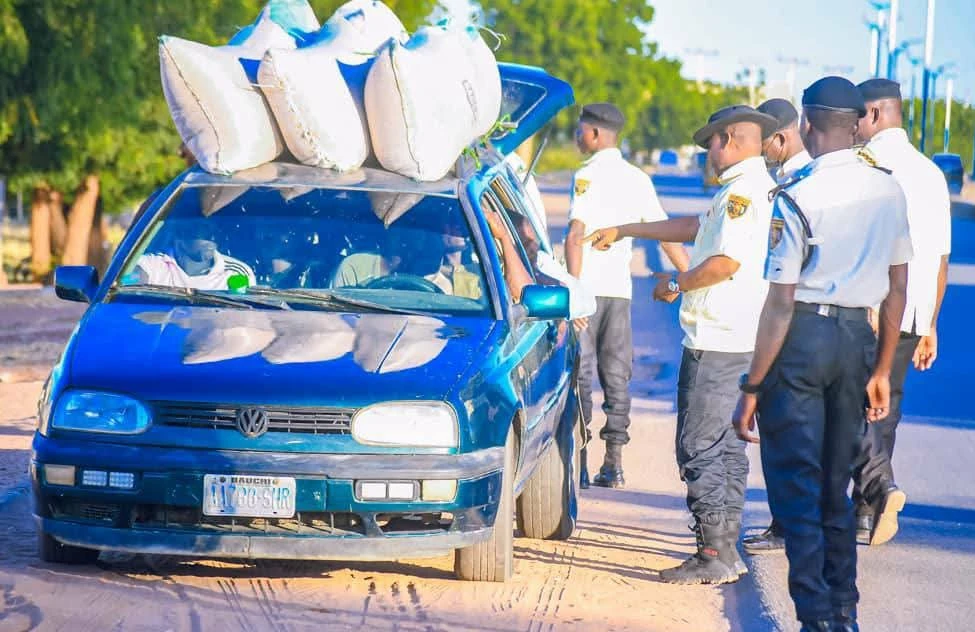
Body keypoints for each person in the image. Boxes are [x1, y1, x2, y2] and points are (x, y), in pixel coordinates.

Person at [732, 76, 912, 632]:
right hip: (858, 341)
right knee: (836, 487)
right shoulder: (888, 190)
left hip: (804, 338)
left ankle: (815, 617)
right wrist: (881, 368)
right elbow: (898, 289)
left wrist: (752, 387)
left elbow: (780, 303)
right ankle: (843, 611)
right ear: (857, 125)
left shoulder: (797, 193)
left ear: (807, 124)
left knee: (797, 489)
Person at [585, 104, 779, 584]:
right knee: (725, 447)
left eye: (710, 144)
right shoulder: (746, 188)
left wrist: (675, 283)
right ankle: (725, 549)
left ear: (728, 139)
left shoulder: (743, 194)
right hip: (738, 337)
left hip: (719, 339)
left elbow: (725, 263)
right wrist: (626, 230)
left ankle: (713, 553)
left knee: (698, 447)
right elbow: (695, 227)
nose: (708, 154)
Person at [564, 102, 688, 490]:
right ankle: (613, 464)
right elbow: (665, 233)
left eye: (581, 130)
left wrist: (573, 292)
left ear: (595, 134)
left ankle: (579, 465)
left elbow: (574, 235)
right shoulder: (638, 179)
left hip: (588, 294)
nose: (577, 136)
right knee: (617, 378)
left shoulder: (586, 175)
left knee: (581, 377)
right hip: (619, 293)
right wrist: (690, 278)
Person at [851, 78, 951, 547]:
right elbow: (941, 257)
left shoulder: (866, 165)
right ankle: (866, 510)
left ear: (873, 114)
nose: (853, 126)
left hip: (871, 307)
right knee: (884, 406)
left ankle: (877, 490)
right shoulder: (932, 173)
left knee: (847, 402)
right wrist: (930, 323)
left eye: (857, 116)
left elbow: (868, 244)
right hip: (913, 312)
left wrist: (870, 304)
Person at [743, 97, 814, 555]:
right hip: (815, 325)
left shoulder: (796, 186)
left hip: (790, 322)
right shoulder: (801, 180)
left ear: (782, 138)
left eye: (764, 142)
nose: (761, 151)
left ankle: (786, 525)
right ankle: (796, 521)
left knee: (779, 428)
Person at [132, 221, 256, 290]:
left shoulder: (235, 272)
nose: (212, 240)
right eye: (204, 233)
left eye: (215, 234)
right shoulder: (153, 265)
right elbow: (130, 290)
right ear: (179, 239)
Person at [758, 98, 813, 181]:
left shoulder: (806, 176)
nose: (759, 152)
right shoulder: (779, 173)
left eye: (761, 144)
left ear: (780, 140)